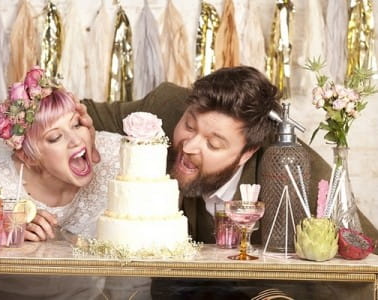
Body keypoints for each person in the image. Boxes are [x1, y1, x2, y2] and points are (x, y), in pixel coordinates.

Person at [81, 66, 378, 299]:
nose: (190, 145)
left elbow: (366, 256)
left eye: (214, 143)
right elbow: (85, 115)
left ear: (246, 153)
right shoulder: (167, 106)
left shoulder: (292, 168)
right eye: (189, 125)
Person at [0, 66, 127, 299]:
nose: (76, 140)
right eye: (56, 137)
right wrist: (8, 232)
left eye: (76, 125)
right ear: (28, 157)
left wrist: (94, 147)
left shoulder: (115, 155)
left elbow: (155, 137)